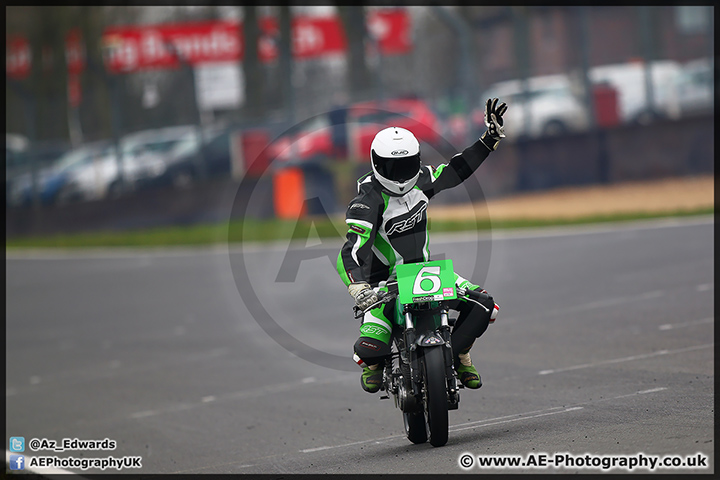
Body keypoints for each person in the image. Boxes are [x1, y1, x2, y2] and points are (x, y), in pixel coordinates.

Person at [336, 97, 507, 393]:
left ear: (416, 160)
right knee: (370, 349)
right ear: (377, 164)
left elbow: (458, 169)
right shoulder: (367, 201)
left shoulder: (423, 180)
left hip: (424, 273)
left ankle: (459, 353)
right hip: (383, 282)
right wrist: (358, 287)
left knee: (484, 305)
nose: (401, 174)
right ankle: (377, 363)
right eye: (392, 166)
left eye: (406, 165)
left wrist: (489, 138)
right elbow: (350, 251)